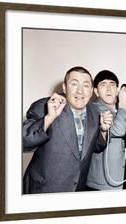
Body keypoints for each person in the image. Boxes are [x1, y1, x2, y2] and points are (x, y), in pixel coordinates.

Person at [22, 66, 113, 194]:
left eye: (86, 86)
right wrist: (49, 118)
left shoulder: (95, 111)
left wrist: (103, 131)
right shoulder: (44, 106)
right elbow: (21, 142)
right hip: (44, 191)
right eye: (74, 84)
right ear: (64, 87)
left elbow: (95, 147)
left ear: (92, 90)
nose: (80, 91)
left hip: (77, 192)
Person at [86, 70, 126, 190]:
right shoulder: (94, 109)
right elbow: (118, 130)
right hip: (100, 183)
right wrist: (122, 104)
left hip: (117, 178)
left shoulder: (118, 111)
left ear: (117, 90)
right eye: (103, 85)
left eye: (112, 85)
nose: (109, 89)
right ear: (96, 91)